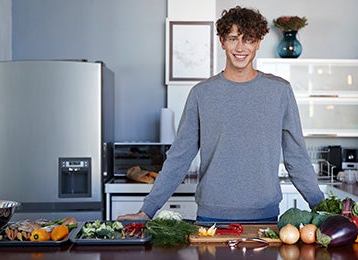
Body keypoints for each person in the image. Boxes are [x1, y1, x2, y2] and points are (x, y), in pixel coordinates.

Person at [118, 6, 324, 222]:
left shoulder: (280, 91)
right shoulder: (201, 94)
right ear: (222, 41)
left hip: (265, 218)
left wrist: (322, 207)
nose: (240, 47)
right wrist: (147, 210)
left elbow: (297, 156)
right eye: (233, 38)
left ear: (258, 43)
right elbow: (179, 157)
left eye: (248, 39)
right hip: (211, 218)